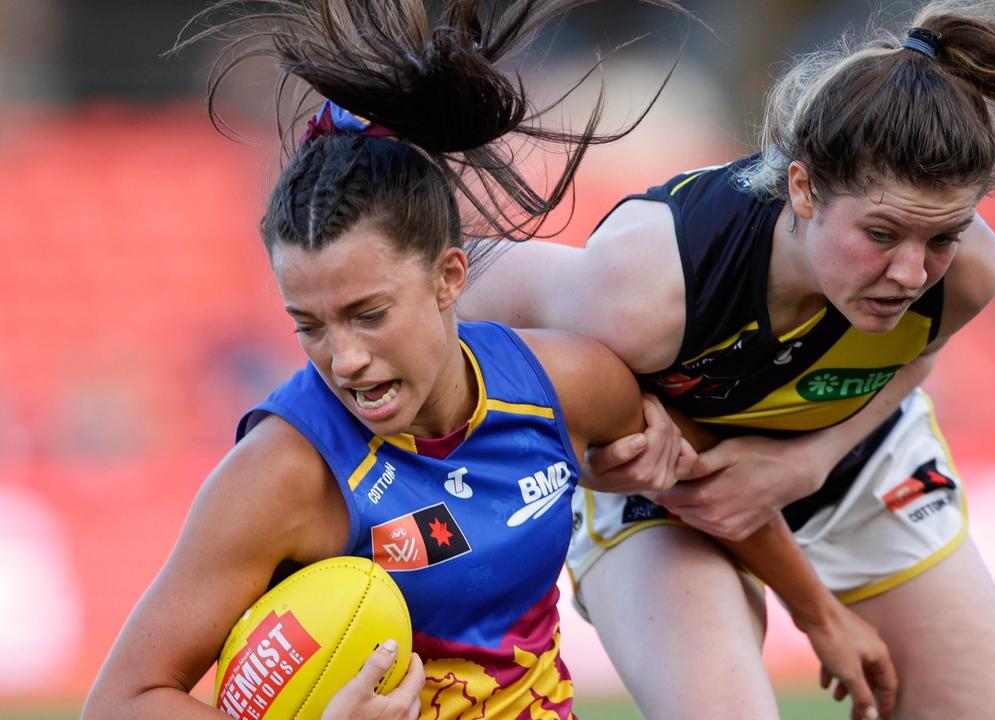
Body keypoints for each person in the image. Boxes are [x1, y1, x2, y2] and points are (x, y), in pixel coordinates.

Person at [458, 1, 995, 718]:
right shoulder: (645, 282)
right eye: (881, 235)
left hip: (859, 464)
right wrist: (598, 459)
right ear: (805, 191)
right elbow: (462, 288)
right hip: (671, 508)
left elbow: (911, 359)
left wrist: (809, 460)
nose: (910, 275)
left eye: (940, 238)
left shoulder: (970, 273)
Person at [83, 1, 898, 719]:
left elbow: (701, 479)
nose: (347, 359)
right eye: (310, 325)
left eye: (369, 314)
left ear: (449, 278)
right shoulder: (284, 474)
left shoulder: (560, 383)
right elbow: (122, 700)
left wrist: (818, 613)